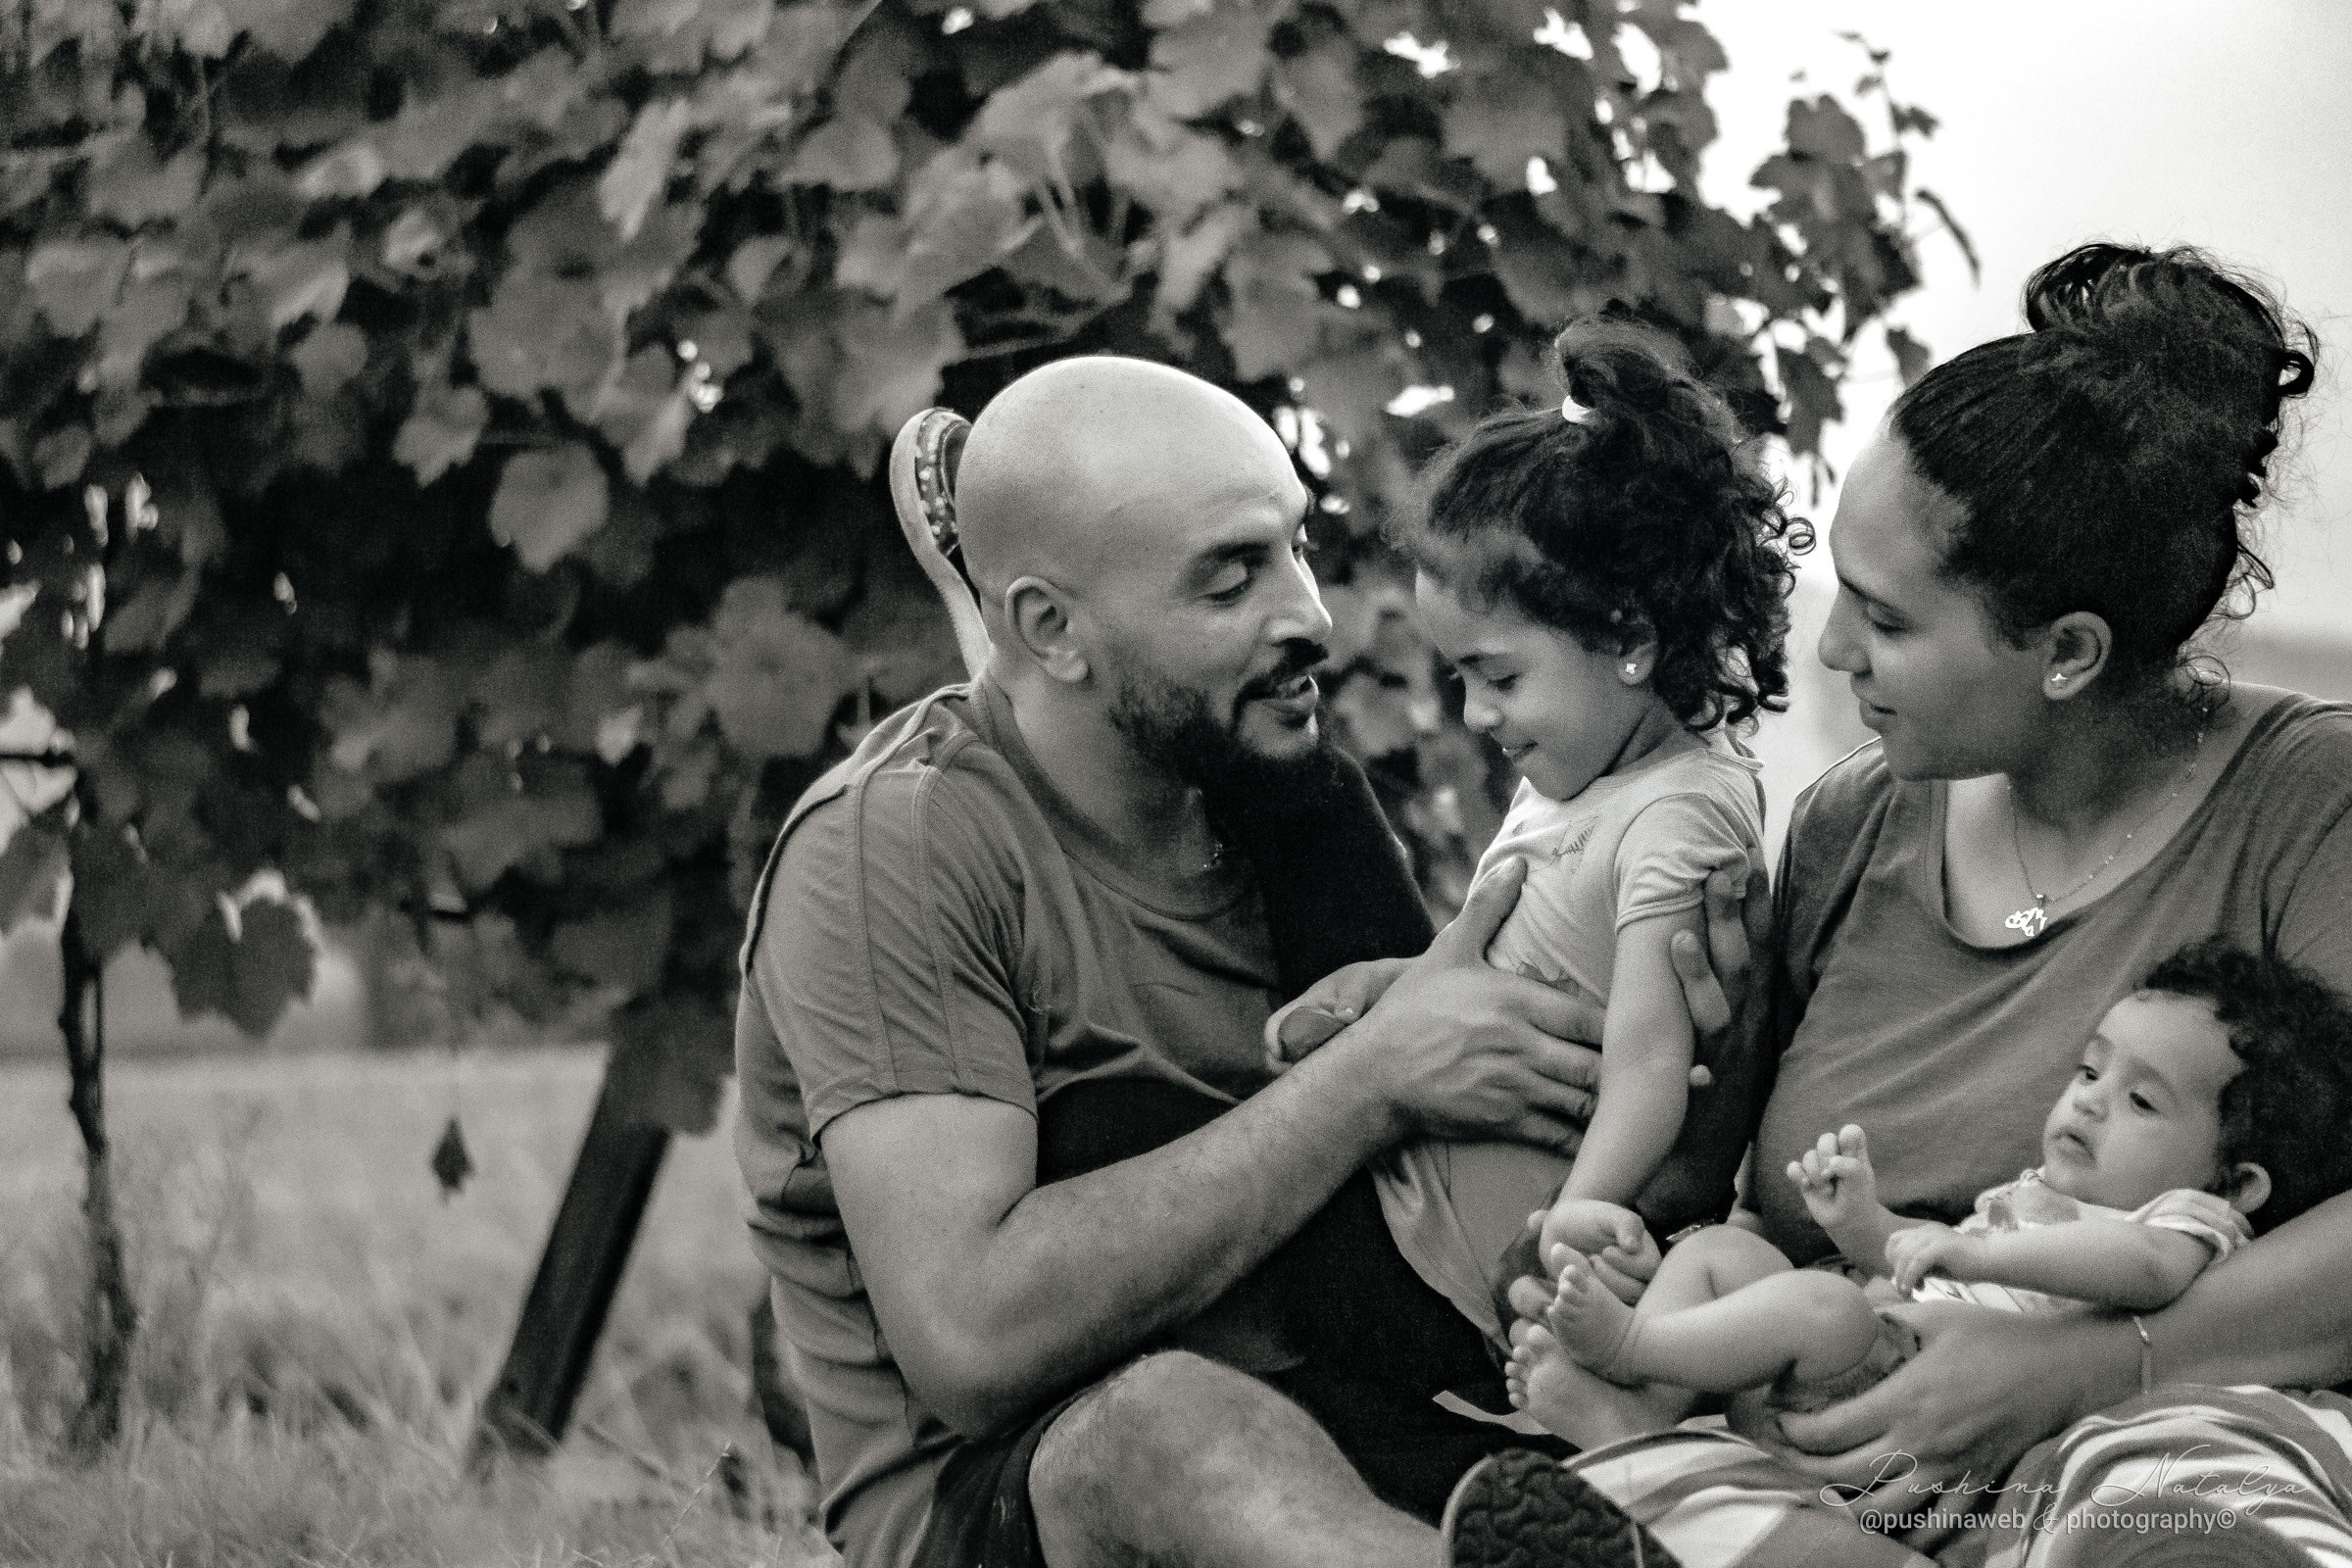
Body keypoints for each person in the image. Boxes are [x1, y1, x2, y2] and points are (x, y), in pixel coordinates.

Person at [731, 353, 1749, 1568]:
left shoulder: (1289, 795)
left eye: (1298, 549)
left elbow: (1464, 1193)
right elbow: (970, 1337)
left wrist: (1702, 1044)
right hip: (1023, 1491)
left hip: (1351, 1405)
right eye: (1231, 580)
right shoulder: (891, 848)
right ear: (1050, 627)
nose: (1312, 616)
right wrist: (1372, 1074)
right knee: (1172, 1425)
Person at [1447, 242, 2352, 1566]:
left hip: (2153, 1448)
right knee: (1656, 1450)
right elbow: (1723, 1197)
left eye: (1885, 619)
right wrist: (1626, 1200)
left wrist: (2083, 1371)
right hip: (1844, 1455)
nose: (1827, 652)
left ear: (2068, 654)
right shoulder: (1853, 823)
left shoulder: (2305, 801)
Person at [1268, 321, 1799, 1347]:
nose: (1473, 714)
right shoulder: (1581, 766)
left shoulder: (1679, 810)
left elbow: (1648, 1057)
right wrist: (1384, 993)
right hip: (1409, 1203)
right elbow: (1523, 959)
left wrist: (1571, 1226)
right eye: (1461, 678)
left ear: (1631, 642)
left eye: (1498, 677)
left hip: (1466, 1271)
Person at [1505, 941, 2352, 1420]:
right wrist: (1865, 1221)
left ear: (2238, 1183)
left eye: (2139, 1100)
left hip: (1918, 1390)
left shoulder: (2189, 1224)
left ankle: (1627, 1354)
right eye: (2090, 1072)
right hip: (1866, 1343)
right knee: (1728, 1253)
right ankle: (1647, 1398)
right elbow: (1910, 1262)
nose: (2089, 1105)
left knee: (1824, 1305)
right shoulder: (2041, 1195)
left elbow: (2139, 1271)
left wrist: (1977, 1258)